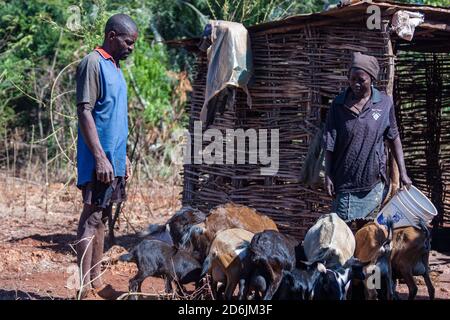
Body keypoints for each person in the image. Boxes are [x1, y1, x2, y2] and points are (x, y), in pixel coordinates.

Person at [75, 13, 138, 299]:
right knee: (91, 218)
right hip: (98, 159)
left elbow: (115, 118)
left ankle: (96, 282)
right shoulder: (93, 63)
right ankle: (82, 287)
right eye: (128, 41)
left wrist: (121, 158)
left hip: (114, 160)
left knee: (102, 218)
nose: (132, 47)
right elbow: (85, 111)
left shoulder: (115, 68)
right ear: (112, 36)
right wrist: (100, 157)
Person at [323, 52, 412, 225]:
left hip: (373, 185)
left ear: (372, 79)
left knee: (370, 238)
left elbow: (394, 138)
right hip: (345, 184)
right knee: (342, 238)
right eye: (352, 78)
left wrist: (403, 173)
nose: (355, 84)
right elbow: (329, 142)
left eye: (361, 80)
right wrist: (327, 175)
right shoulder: (338, 105)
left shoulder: (384, 104)